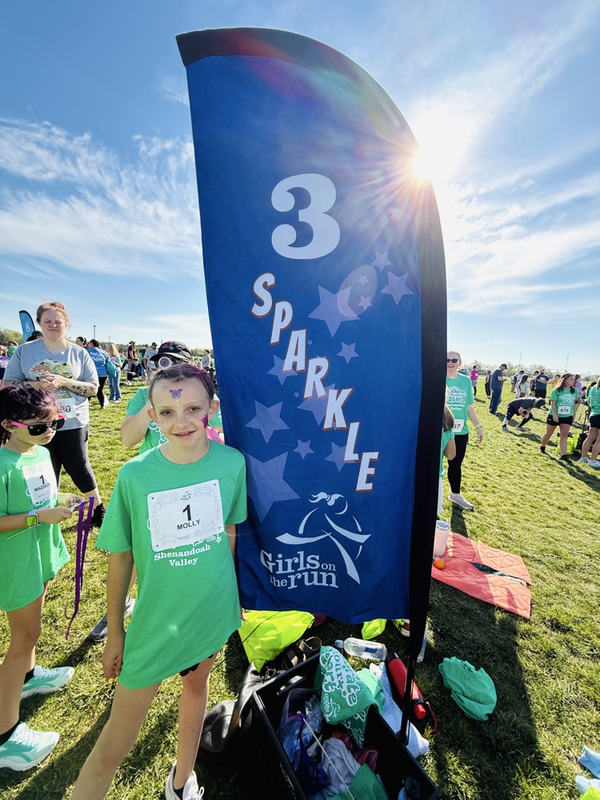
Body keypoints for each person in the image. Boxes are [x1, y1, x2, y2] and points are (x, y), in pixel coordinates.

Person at [72, 364, 247, 800]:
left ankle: (182, 779)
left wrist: (229, 595)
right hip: (153, 624)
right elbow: (121, 557)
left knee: (197, 685)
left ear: (212, 408)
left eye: (192, 408)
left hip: (210, 612)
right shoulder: (135, 475)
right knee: (113, 746)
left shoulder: (232, 464)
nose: (181, 421)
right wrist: (116, 631)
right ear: (151, 413)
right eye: (167, 411)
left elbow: (229, 530)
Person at [0, 385, 84, 771]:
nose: (49, 431)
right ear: (7, 424)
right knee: (23, 638)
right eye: (38, 426)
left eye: (55, 422)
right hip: (16, 560)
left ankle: (30, 676)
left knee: (29, 633)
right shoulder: (1, 464)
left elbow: (40, 496)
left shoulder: (43, 452)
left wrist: (61, 499)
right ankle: (5, 738)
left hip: (42, 552)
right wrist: (38, 518)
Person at [3, 302, 106, 527]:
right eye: (47, 321)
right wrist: (35, 385)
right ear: (39, 323)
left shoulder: (79, 353)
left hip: (73, 421)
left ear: (66, 325)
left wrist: (64, 381)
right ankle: (46, 511)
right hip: (33, 423)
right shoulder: (24, 351)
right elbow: (7, 384)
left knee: (79, 464)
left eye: (58, 321)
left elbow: (93, 388)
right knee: (43, 466)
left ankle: (98, 509)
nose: (53, 325)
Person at [446, 350, 483, 510]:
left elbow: (468, 407)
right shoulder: (437, 378)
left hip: (460, 431)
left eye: (454, 359)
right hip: (441, 429)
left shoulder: (466, 381)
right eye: (447, 359)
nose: (450, 362)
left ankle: (455, 494)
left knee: (455, 464)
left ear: (459, 362)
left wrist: (478, 426)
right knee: (434, 465)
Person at [539, 373, 578, 460]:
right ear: (565, 380)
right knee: (549, 433)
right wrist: (555, 415)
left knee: (564, 435)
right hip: (555, 414)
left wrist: (573, 414)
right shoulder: (556, 390)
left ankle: (563, 455)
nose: (573, 381)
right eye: (571, 379)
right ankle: (543, 446)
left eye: (574, 379)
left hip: (567, 416)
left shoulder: (574, 391)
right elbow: (553, 403)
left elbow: (574, 402)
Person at [579, 379, 600, 467]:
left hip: (593, 414)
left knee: (590, 437)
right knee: (599, 440)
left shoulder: (593, 388)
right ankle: (593, 460)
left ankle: (583, 457)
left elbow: (588, 401)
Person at [86, 340, 110, 410]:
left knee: (89, 390)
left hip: (91, 373)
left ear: (92, 344)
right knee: (100, 390)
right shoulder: (104, 353)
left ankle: (86, 405)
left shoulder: (87, 352)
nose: (88, 345)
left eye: (89, 343)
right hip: (103, 374)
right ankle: (102, 405)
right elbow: (108, 363)